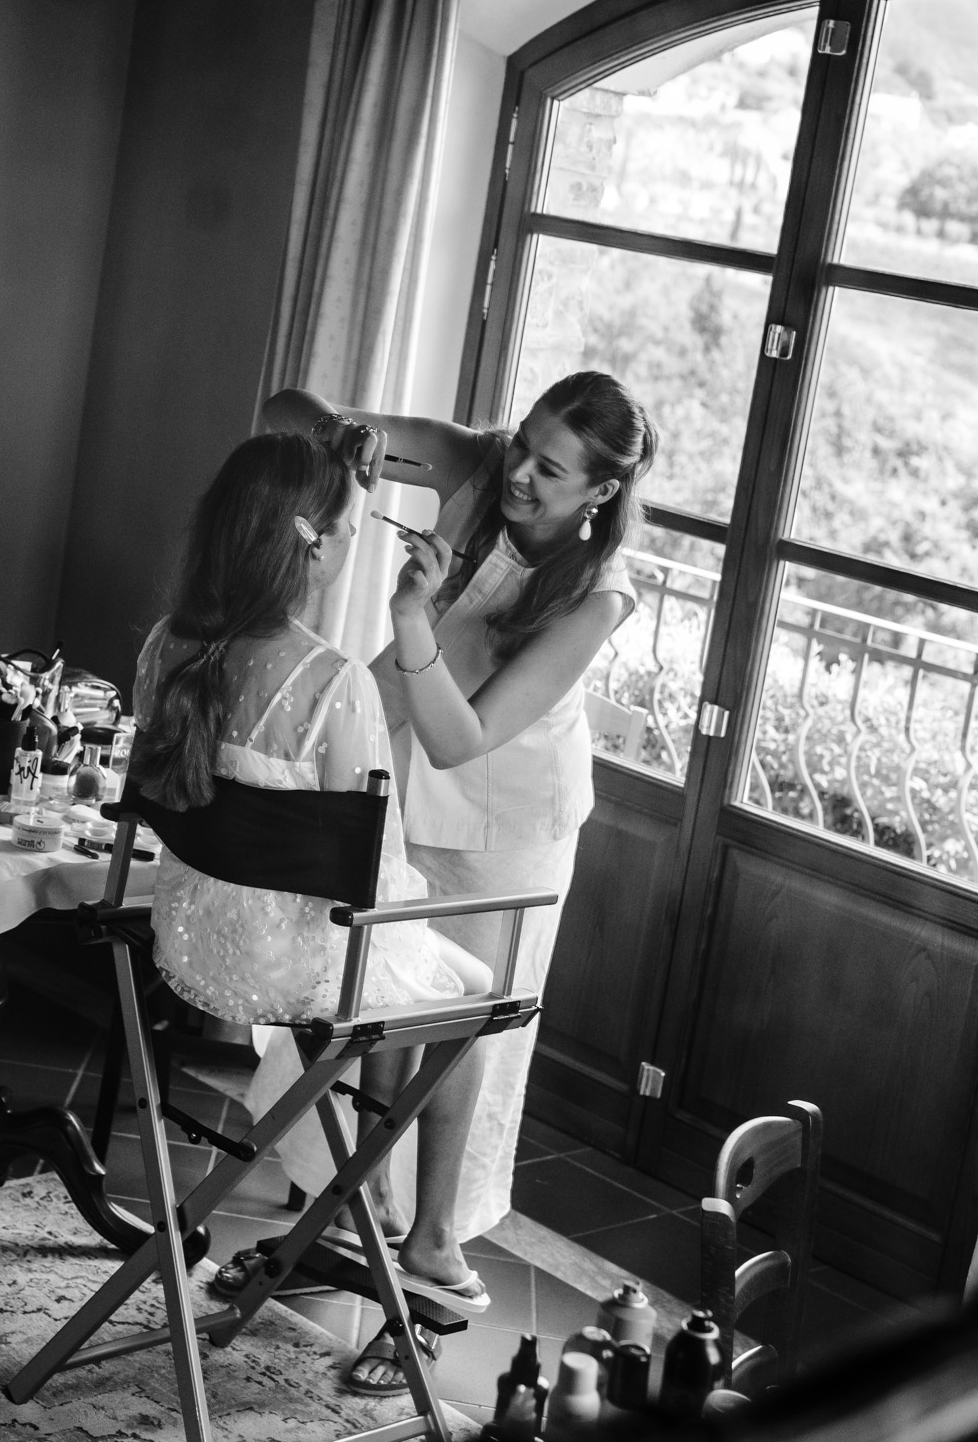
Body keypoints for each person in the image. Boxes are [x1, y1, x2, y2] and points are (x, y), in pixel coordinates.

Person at [252, 372, 659, 1390]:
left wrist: (414, 612)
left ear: (599, 493)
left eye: (550, 467)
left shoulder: (599, 593)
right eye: (522, 442)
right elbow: (280, 410)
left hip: (503, 827)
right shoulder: (478, 460)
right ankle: (351, 1219)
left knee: (458, 1034)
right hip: (401, 784)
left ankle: (430, 1258)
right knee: (371, 1006)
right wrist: (335, 435)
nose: (519, 470)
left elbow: (462, 734)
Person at [128, 433, 499, 1390]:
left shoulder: (165, 643)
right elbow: (371, 881)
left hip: (185, 943)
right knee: (473, 983)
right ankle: (375, 1210)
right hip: (286, 971)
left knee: (399, 974)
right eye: (343, 528)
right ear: (318, 547)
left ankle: (354, 1198)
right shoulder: (332, 684)